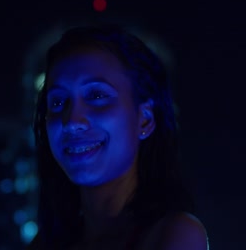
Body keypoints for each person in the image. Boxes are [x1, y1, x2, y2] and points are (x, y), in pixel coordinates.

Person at [28, 24, 208, 250]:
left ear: (145, 119)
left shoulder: (173, 235)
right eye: (57, 102)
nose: (72, 122)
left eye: (96, 95)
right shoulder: (44, 244)